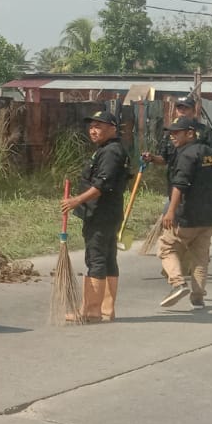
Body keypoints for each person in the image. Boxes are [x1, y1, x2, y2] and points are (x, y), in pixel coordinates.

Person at [60, 108, 129, 322]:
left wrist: (76, 200)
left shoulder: (111, 152)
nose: (93, 130)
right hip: (108, 212)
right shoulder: (108, 150)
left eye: (98, 126)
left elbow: (102, 184)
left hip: (101, 213)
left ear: (113, 129)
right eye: (91, 126)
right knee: (107, 259)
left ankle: (91, 311)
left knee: (96, 258)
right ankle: (106, 310)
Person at [157, 116, 212, 311]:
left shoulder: (186, 155)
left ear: (190, 133)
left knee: (166, 247)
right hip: (210, 215)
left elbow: (180, 185)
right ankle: (198, 297)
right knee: (200, 256)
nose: (172, 137)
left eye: (176, 133)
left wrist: (170, 212)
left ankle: (178, 283)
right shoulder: (210, 152)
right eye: (171, 133)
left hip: (188, 215)